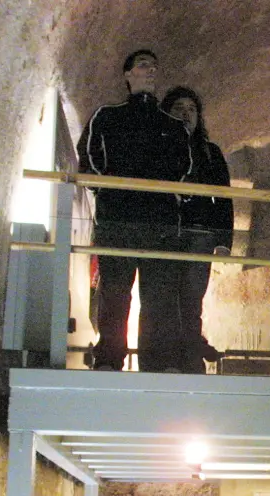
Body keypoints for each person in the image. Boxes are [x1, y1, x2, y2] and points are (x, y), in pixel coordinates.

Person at [77, 49, 193, 373]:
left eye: (154, 66)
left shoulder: (173, 126)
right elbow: (89, 158)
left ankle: (155, 363)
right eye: (143, 65)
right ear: (127, 74)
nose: (151, 70)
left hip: (160, 224)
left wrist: (174, 196)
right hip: (118, 220)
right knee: (115, 292)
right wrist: (106, 190)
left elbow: (185, 170)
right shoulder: (107, 116)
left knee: (158, 297)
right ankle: (109, 359)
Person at [161, 86, 234, 373]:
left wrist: (224, 239)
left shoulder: (210, 152)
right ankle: (169, 359)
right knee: (164, 297)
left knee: (192, 298)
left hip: (200, 232)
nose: (185, 113)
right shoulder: (159, 148)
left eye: (191, 109)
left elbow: (223, 196)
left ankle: (191, 359)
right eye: (179, 108)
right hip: (166, 231)